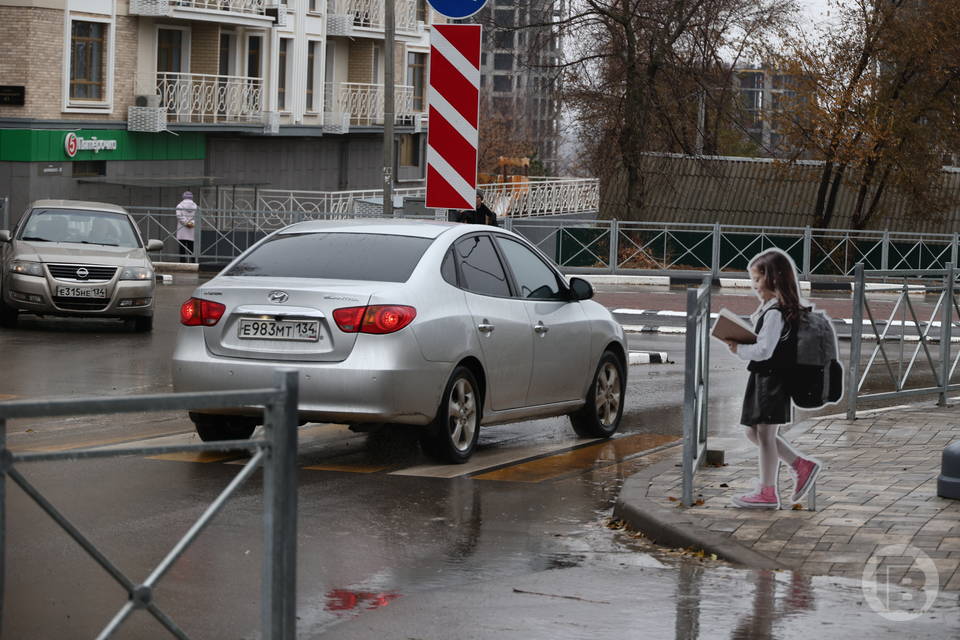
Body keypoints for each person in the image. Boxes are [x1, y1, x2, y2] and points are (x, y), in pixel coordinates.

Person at [722, 249, 822, 509]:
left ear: (774, 279)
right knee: (754, 432)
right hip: (766, 379)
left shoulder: (776, 312)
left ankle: (768, 492)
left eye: (757, 279)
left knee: (764, 435)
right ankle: (800, 465)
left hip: (772, 381)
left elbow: (765, 350)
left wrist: (739, 349)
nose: (754, 286)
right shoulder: (773, 308)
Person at [176, 191, 197, 263]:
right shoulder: (195, 206)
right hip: (191, 229)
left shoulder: (179, 206)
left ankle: (182, 261)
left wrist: (186, 223)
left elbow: (179, 216)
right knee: (191, 247)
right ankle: (193, 261)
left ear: (183, 197)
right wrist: (191, 223)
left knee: (182, 247)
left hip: (182, 229)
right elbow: (197, 217)